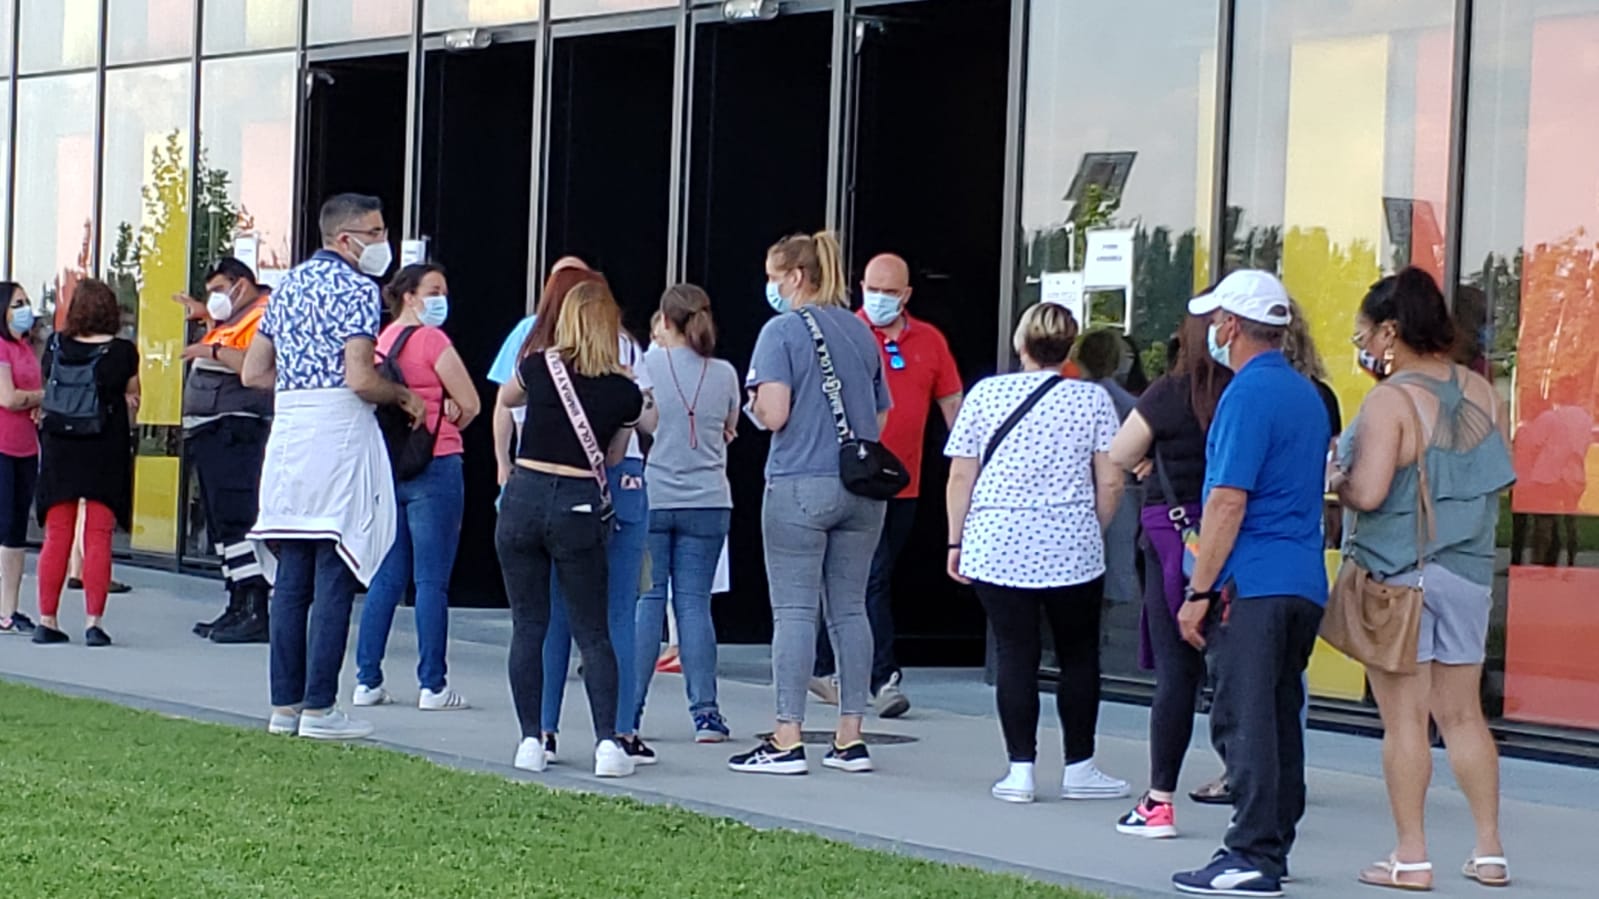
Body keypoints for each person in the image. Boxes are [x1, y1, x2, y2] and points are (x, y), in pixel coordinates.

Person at [1334, 268, 1514, 890]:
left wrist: (1338, 479)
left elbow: (1372, 490)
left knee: (1405, 721)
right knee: (1464, 716)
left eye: (1366, 332)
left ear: (1390, 331)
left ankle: (1410, 856)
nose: (1363, 344)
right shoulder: (1485, 392)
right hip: (1468, 573)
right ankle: (1489, 851)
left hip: (1398, 575)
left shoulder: (1391, 401)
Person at [243, 193, 423, 741]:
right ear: (347, 239)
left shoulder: (289, 285)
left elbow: (253, 372)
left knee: (293, 573)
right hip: (339, 433)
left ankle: (285, 705)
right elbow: (361, 378)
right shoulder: (356, 289)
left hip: (291, 432)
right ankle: (321, 706)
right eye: (375, 231)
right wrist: (403, 397)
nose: (381, 241)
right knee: (335, 564)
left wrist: (300, 383)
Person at [1172, 269, 1329, 896]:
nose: (1210, 330)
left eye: (1215, 321)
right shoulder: (1305, 393)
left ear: (1231, 326)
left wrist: (1199, 591)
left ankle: (1251, 853)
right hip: (1300, 579)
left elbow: (1228, 501)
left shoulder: (1246, 395)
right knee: (1279, 713)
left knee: (1244, 718)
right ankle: (1272, 842)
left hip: (1251, 583)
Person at [944, 302, 1129, 804]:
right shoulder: (1091, 401)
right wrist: (1092, 526)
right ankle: (1080, 767)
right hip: (1070, 544)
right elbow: (1110, 479)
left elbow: (962, 473)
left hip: (998, 540)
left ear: (1020, 344)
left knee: (1015, 654)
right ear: (1070, 347)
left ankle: (1020, 770)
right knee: (1078, 655)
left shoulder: (986, 394)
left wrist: (956, 539)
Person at [730, 230, 890, 775]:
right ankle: (850, 737)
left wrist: (752, 404)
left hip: (799, 480)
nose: (771, 288)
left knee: (795, 611)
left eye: (776, 277)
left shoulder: (781, 331)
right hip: (861, 488)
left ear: (796, 277)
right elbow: (880, 416)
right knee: (850, 608)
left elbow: (774, 412)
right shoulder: (863, 333)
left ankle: (786, 736)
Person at [490, 265, 658, 767]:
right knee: (593, 628)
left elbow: (506, 397)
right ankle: (609, 741)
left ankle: (530, 739)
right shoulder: (624, 391)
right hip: (579, 503)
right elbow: (611, 457)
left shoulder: (540, 366)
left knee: (529, 624)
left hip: (524, 494)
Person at [808, 252, 963, 720]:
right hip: (853, 477)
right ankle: (882, 677)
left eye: (889, 292)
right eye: (872, 289)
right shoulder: (845, 334)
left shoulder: (929, 340)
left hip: (904, 482)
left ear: (906, 295)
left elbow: (952, 404)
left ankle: (820, 662)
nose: (878, 298)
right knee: (869, 575)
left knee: (863, 577)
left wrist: (967, 462)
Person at [1106, 313, 1232, 838]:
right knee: (1240, 669)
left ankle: (1160, 798)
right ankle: (1245, 782)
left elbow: (1119, 452)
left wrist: (1151, 458)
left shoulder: (1166, 393)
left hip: (1171, 533)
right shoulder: (1240, 393)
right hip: (1232, 531)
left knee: (1176, 675)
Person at [354, 263, 480, 712]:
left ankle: (366, 678)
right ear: (409, 295)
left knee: (386, 576)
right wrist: (448, 414)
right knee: (431, 581)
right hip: (438, 460)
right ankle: (433, 684)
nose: (441, 298)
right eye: (433, 290)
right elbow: (471, 403)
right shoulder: (432, 340)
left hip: (392, 467)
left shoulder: (379, 343)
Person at [631, 285, 740, 742]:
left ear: (664, 321)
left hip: (653, 498)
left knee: (646, 602)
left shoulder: (645, 367)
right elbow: (732, 429)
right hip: (709, 500)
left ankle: (628, 711)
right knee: (694, 604)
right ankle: (706, 714)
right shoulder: (725, 373)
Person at [31, 279, 140, 646]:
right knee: (97, 536)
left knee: (57, 534)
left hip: (61, 443)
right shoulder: (123, 352)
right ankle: (94, 622)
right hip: (103, 447)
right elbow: (133, 397)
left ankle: (47, 619)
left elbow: (50, 384)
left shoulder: (56, 345)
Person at [177, 257, 274, 644]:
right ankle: (237, 602)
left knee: (238, 520)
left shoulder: (263, 313)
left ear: (241, 285)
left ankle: (255, 607)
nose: (214, 297)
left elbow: (252, 364)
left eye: (219, 289)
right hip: (212, 430)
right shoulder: (234, 317)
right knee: (222, 526)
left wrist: (209, 350)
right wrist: (209, 322)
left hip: (235, 428)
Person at [1075, 328, 1142, 608]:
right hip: (1120, 492)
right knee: (1115, 567)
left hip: (1076, 491)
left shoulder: (1071, 397)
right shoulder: (1130, 404)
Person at [0, 282, 42, 636]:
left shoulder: (26, 349)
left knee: (16, 532)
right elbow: (9, 398)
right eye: (18, 303)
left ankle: (8, 611)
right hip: (1, 446)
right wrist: (44, 396)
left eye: (27, 302)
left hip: (25, 448)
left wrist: (37, 402)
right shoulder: (1, 347)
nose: (26, 308)